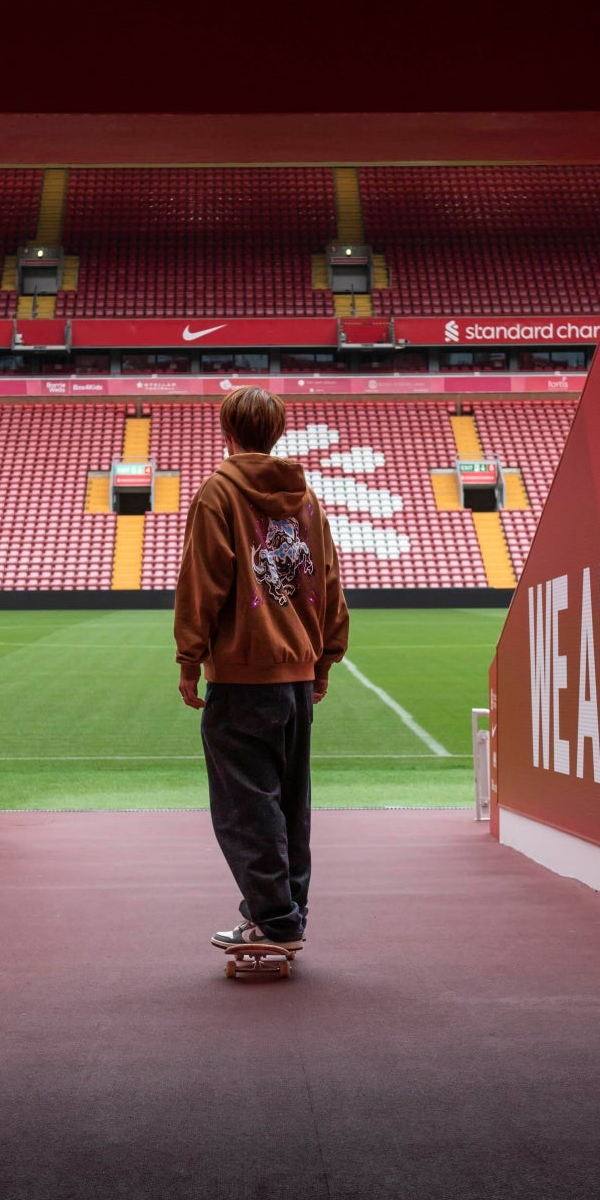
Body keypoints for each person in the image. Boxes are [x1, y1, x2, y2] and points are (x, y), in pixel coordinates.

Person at [174, 385, 349, 955]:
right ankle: (286, 915)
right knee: (289, 803)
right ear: (276, 432)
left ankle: (273, 921)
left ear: (228, 429)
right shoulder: (306, 498)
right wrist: (323, 660)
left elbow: (203, 583)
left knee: (245, 805)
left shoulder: (218, 493)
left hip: (244, 676)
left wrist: (189, 659)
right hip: (296, 677)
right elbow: (328, 581)